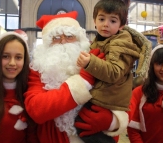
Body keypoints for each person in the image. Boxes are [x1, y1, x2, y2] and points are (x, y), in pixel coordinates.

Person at [24, 11, 124, 143]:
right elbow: (37, 109)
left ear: (79, 39)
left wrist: (112, 120)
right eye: (56, 37)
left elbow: (120, 95)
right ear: (47, 44)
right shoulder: (38, 69)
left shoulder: (97, 60)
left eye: (70, 36)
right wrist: (84, 81)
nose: (64, 42)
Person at [75, 0, 152, 142]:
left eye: (113, 21)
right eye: (102, 19)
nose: (106, 25)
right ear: (95, 21)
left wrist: (90, 62)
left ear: (121, 25)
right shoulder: (100, 41)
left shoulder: (120, 42)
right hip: (103, 96)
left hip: (108, 99)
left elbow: (115, 72)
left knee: (87, 128)